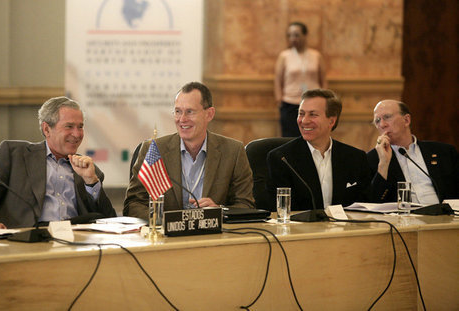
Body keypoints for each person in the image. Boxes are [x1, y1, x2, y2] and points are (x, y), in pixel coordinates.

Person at [0, 96, 116, 229]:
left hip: (75, 242)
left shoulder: (88, 169)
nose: (77, 134)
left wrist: (91, 182)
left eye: (80, 127)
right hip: (27, 240)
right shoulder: (14, 154)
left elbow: (109, 219)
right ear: (47, 129)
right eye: (69, 126)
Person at [124, 82, 255, 220]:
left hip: (213, 236)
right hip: (166, 238)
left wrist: (219, 211)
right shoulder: (154, 150)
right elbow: (133, 204)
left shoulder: (233, 151)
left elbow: (246, 205)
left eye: (190, 112)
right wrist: (163, 221)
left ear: (209, 114)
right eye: (178, 111)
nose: (182, 119)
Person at [267, 89, 370, 211]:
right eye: (301, 113)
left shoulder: (355, 158)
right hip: (302, 229)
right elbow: (278, 210)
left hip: (346, 229)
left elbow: (367, 204)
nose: (304, 121)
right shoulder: (282, 158)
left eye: (313, 114)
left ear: (331, 121)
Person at [368, 100, 459, 203]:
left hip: (445, 216)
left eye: (387, 117)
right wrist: (384, 163)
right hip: (401, 217)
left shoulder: (444, 152)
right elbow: (372, 202)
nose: (382, 124)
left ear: (406, 120)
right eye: (377, 121)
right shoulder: (372, 159)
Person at [274, 21, 327, 138]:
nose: (293, 38)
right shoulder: (284, 56)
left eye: (296, 35)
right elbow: (278, 80)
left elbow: (323, 79)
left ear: (305, 35)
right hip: (290, 103)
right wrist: (279, 101)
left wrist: (325, 100)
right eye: (290, 35)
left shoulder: (316, 55)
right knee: (290, 138)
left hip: (313, 103)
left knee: (313, 136)